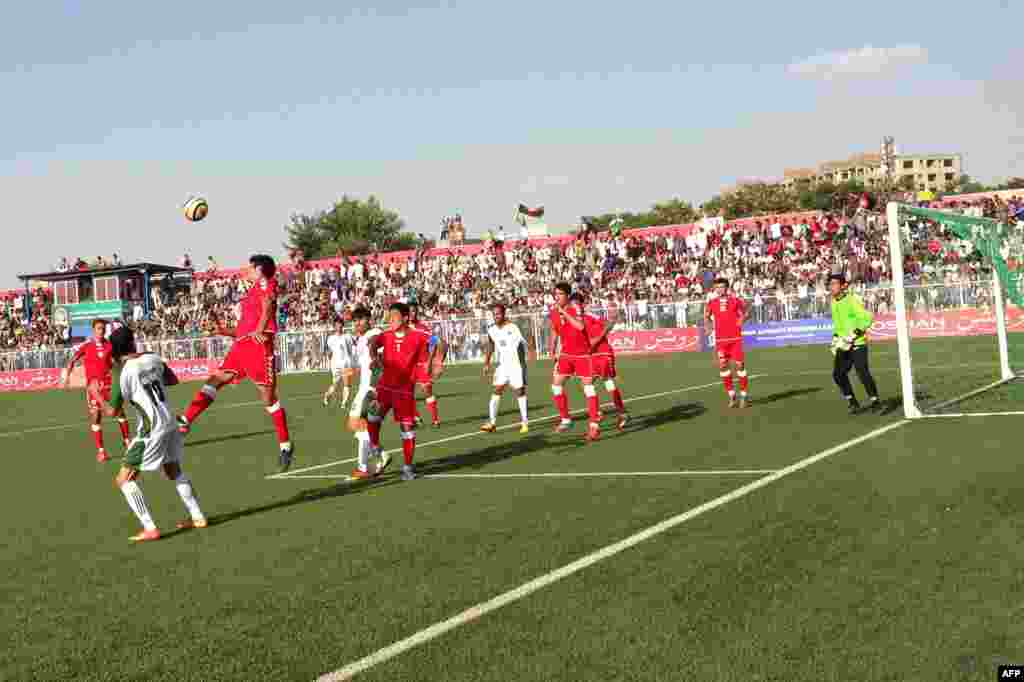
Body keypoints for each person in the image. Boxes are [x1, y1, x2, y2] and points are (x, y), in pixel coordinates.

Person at [177, 254, 294, 472]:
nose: (246, 269)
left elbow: (269, 304)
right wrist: (222, 330)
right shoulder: (251, 291)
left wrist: (259, 329)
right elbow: (243, 329)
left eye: (250, 266)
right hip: (241, 345)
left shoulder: (264, 282)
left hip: (258, 345)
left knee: (268, 398)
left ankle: (285, 445)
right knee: (214, 380)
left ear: (259, 268)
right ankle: (185, 420)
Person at [97, 326, 206, 543]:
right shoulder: (153, 357)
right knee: (173, 469)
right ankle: (198, 517)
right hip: (170, 422)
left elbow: (113, 411)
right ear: (133, 342)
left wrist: (96, 396)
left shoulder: (123, 371)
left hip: (151, 430)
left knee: (124, 480)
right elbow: (172, 380)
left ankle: (150, 528)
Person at [367, 303, 433, 481]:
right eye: (389, 317)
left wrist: (438, 361)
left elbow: (439, 342)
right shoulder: (385, 335)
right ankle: (377, 451)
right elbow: (373, 343)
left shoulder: (418, 336)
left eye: (394, 317)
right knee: (372, 418)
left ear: (405, 318)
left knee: (406, 429)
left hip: (404, 391)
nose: (391, 320)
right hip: (384, 387)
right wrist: (374, 358)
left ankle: (408, 467)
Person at [63, 318, 131, 461]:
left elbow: (118, 360)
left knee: (120, 413)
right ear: (93, 330)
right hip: (94, 388)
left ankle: (127, 442)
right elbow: (72, 361)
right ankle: (101, 450)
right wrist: (67, 378)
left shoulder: (110, 345)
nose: (102, 331)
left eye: (104, 328)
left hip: (109, 386)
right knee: (96, 417)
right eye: (99, 328)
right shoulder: (86, 346)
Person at [550, 283, 601, 441]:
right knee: (556, 385)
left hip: (582, 355)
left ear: (567, 295)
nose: (557, 297)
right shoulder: (554, 312)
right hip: (566, 354)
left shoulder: (575, 308)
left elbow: (579, 326)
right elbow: (555, 329)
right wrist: (552, 349)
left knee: (588, 388)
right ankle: (566, 420)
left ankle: (594, 426)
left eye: (560, 294)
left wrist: (565, 312)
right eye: (555, 294)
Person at [344, 307, 389, 479]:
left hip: (372, 387)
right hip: (363, 387)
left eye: (360, 319)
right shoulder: (361, 339)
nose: (356, 323)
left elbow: (382, 355)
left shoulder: (374, 334)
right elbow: (363, 364)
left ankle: (363, 467)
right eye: (354, 320)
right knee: (353, 425)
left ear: (368, 319)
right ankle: (380, 454)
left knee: (362, 426)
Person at [829, 273, 880, 413]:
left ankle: (875, 401)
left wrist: (853, 335)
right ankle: (852, 402)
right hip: (843, 344)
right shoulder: (833, 302)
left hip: (857, 343)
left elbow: (867, 318)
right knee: (838, 374)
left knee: (862, 372)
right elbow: (839, 325)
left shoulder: (852, 300)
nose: (831, 286)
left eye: (834, 284)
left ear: (843, 285)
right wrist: (835, 338)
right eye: (830, 284)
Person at [480, 303, 529, 434]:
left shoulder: (513, 328)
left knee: (520, 392)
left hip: (516, 365)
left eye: (498, 313)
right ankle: (492, 423)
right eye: (494, 314)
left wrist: (522, 365)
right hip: (502, 366)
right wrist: (486, 363)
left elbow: (521, 345)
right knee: (496, 391)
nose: (496, 316)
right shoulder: (491, 330)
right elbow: (490, 345)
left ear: (504, 314)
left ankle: (524, 422)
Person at [580, 298, 629, 429]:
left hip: (602, 353)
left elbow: (608, 324)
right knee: (594, 383)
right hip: (594, 355)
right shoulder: (578, 320)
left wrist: (596, 340)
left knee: (593, 382)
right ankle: (618, 413)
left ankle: (598, 416)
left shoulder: (589, 317)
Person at [704, 278, 751, 408]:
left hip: (735, 339)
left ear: (727, 288)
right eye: (717, 287)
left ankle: (744, 396)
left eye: (722, 287)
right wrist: (708, 327)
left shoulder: (735, 300)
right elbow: (707, 316)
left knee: (740, 366)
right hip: (720, 340)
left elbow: (747, 312)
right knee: (723, 366)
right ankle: (732, 396)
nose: (719, 289)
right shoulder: (711, 303)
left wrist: (742, 319)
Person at [409, 303, 445, 428]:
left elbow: (435, 342)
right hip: (409, 365)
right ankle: (416, 417)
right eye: (409, 311)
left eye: (414, 311)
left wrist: (434, 362)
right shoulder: (402, 328)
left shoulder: (422, 328)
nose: (411, 314)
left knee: (427, 391)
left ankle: (435, 420)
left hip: (423, 363)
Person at [323, 318, 356, 407]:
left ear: (342, 325)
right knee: (335, 385)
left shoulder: (348, 336)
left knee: (347, 384)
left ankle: (344, 403)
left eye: (340, 324)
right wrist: (328, 354)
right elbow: (327, 351)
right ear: (334, 326)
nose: (339, 326)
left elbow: (355, 344)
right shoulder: (331, 338)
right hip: (336, 364)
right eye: (337, 325)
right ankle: (326, 396)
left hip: (346, 363)